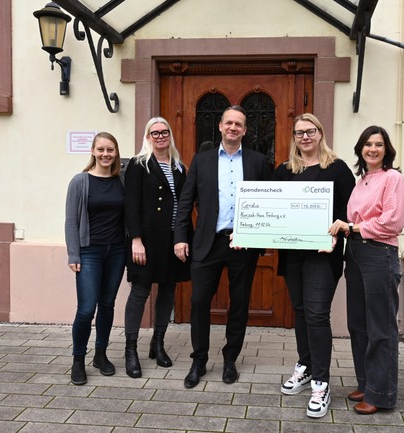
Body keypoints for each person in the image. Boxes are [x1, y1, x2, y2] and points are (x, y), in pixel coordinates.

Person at [173, 105, 271, 389]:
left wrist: (260, 238)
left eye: (238, 124)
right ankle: (199, 360)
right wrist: (181, 236)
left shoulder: (258, 161)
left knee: (239, 304)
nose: (233, 128)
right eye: (228, 122)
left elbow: (267, 202)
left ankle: (230, 360)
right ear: (220, 126)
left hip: (243, 244)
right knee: (199, 302)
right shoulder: (201, 161)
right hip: (208, 243)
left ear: (245, 130)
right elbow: (185, 202)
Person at [273, 113, 355, 418]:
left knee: (318, 314)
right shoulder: (284, 171)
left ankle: (321, 382)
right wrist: (247, 233)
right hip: (293, 253)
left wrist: (343, 224)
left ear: (320, 133)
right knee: (301, 311)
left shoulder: (338, 169)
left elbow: (351, 210)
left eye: (310, 131)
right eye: (299, 133)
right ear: (293, 137)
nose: (304, 137)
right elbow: (271, 207)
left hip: (323, 254)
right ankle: (305, 366)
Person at [329, 125, 404, 415]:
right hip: (356, 253)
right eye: (367, 144)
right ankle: (367, 383)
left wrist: (354, 227)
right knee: (358, 324)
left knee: (381, 328)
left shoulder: (393, 178)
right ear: (360, 149)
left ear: (386, 150)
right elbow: (349, 221)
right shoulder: (362, 181)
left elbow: (393, 221)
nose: (372, 149)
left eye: (378, 144)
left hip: (379, 253)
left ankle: (382, 394)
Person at [123, 117, 190, 378]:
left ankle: (158, 343)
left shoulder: (179, 166)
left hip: (174, 239)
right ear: (148, 136)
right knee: (139, 292)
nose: (160, 136)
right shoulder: (139, 165)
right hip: (147, 241)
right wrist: (136, 240)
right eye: (155, 132)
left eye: (165, 132)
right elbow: (131, 205)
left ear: (170, 135)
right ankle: (130, 350)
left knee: (168, 290)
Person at [65, 132, 126, 386]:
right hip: (89, 252)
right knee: (87, 308)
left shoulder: (122, 179)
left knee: (108, 304)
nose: (105, 154)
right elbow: (71, 221)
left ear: (116, 153)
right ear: (92, 151)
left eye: (110, 150)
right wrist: (73, 253)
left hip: (117, 251)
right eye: (101, 149)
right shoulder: (80, 181)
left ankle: (100, 355)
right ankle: (78, 359)